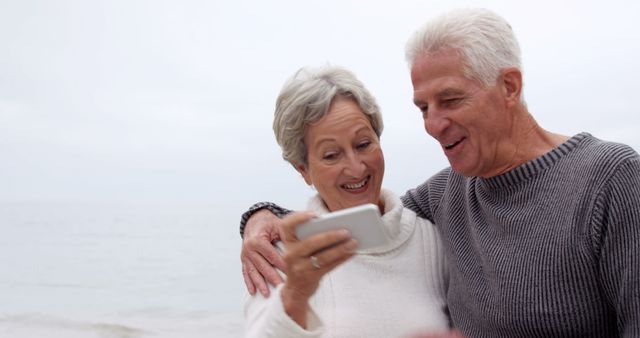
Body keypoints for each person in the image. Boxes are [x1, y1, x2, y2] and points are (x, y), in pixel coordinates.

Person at [239, 8, 640, 337]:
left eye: (449, 100)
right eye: (423, 107)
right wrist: (260, 217)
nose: (433, 125)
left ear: (510, 87)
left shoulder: (612, 180)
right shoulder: (445, 197)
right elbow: (364, 216)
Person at [244, 65, 451, 337]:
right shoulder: (281, 256)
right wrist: (296, 292)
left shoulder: (433, 238)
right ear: (303, 170)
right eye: (331, 155)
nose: (356, 168)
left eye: (364, 144)